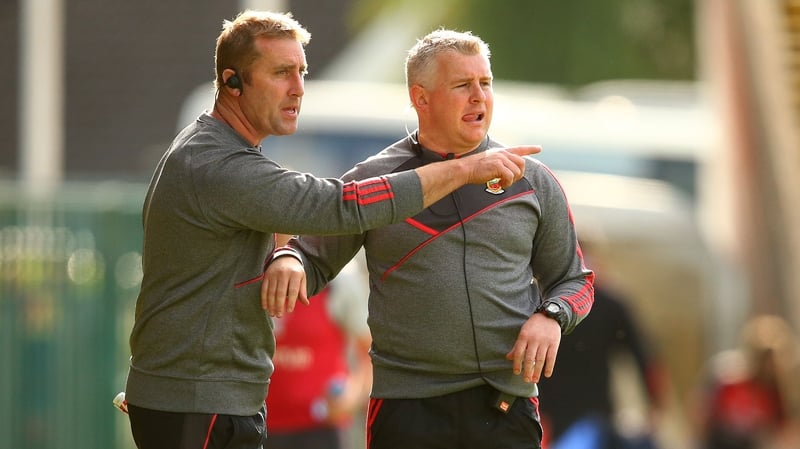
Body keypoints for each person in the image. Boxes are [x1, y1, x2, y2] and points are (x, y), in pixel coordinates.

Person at [122, 11, 540, 449]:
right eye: (281, 73)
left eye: (302, 72)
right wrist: (462, 170)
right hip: (197, 400)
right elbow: (341, 206)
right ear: (232, 82)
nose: (298, 88)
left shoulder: (210, 148)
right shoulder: (220, 164)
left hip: (198, 400)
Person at [262, 29, 594, 449]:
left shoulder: (532, 181)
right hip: (408, 409)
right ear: (421, 98)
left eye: (485, 83)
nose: (479, 97)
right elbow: (310, 256)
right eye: (462, 85)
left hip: (506, 407)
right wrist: (289, 260)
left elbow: (576, 281)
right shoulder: (373, 181)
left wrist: (552, 316)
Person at [537, 238, 667, 449]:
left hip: (555, 416)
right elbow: (645, 358)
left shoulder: (541, 303)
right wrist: (655, 407)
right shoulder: (610, 303)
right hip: (587, 416)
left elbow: (645, 358)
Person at [265, 251, 372, 449]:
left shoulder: (338, 278)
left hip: (322, 430)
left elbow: (370, 352)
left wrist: (352, 396)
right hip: (257, 427)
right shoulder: (250, 273)